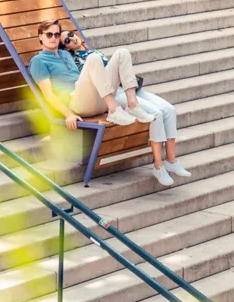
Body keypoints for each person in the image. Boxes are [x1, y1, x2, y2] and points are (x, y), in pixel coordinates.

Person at [28, 20, 191, 186]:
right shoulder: (38, 61)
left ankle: (132, 104)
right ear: (40, 37)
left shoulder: (65, 55)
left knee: (122, 53)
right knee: (93, 59)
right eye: (49, 34)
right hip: (77, 102)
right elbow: (48, 95)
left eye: (56, 34)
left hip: (98, 98)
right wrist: (68, 114)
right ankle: (114, 109)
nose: (54, 38)